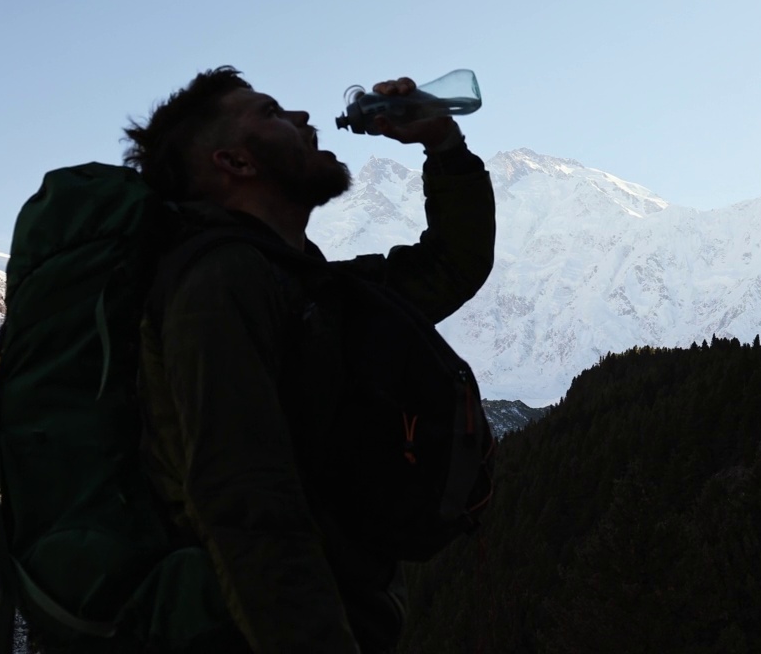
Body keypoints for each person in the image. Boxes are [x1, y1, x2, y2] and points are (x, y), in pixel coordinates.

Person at [123, 67, 496, 654]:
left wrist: (443, 144)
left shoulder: (310, 287)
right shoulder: (218, 282)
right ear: (235, 162)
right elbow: (247, 500)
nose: (301, 118)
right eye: (271, 112)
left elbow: (454, 265)